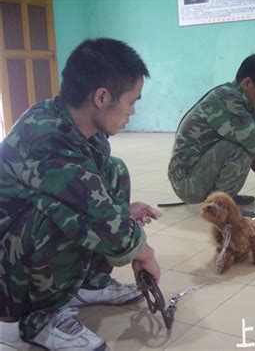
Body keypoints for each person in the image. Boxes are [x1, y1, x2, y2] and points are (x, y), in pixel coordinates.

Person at [0, 38, 161, 350]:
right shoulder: (45, 137)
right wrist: (145, 253)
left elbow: (95, 197)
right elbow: (93, 215)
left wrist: (121, 211)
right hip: (7, 266)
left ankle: (87, 283)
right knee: (61, 213)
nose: (133, 111)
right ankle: (41, 318)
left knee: (113, 171)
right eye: (131, 101)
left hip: (20, 248)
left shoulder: (86, 131)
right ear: (101, 97)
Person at [167, 54, 255, 217]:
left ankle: (226, 197)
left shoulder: (241, 101)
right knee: (241, 145)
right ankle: (222, 206)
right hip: (187, 183)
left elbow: (250, 139)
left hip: (196, 173)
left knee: (243, 142)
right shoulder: (227, 99)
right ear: (247, 83)